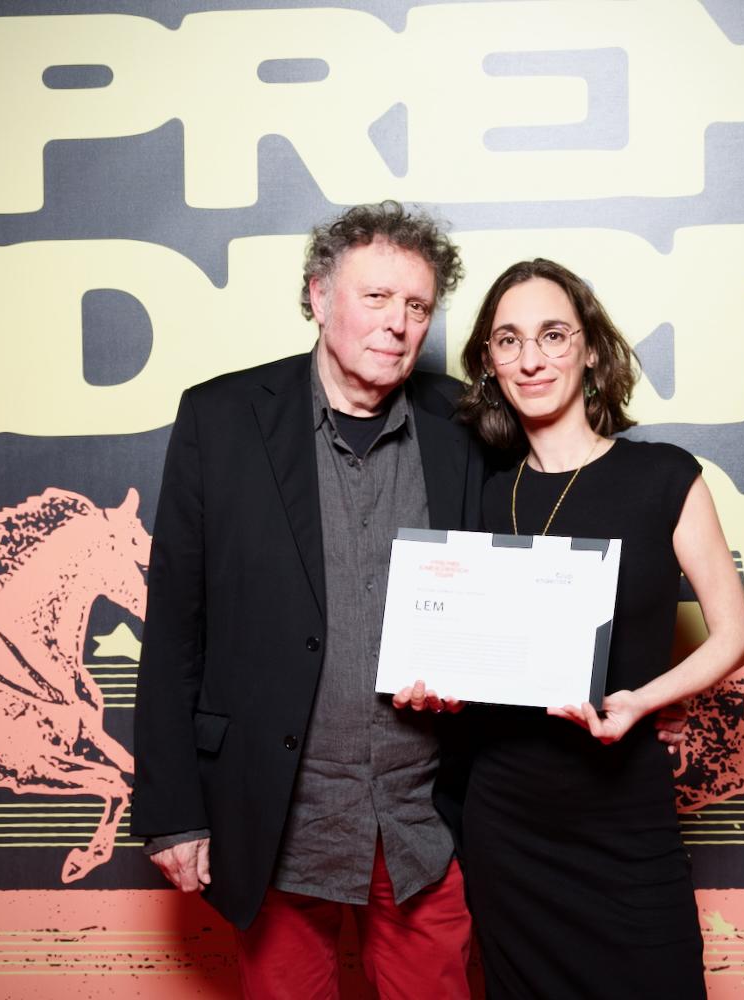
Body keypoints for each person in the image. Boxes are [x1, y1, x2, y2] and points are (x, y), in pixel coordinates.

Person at [131, 202, 483, 999]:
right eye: (376, 297)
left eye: (417, 305)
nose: (398, 324)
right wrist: (173, 811)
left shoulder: (463, 423)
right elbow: (176, 629)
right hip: (278, 817)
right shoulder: (221, 420)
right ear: (319, 297)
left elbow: (508, 584)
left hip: (421, 821)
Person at [446, 258, 744, 998]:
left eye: (553, 335)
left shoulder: (664, 476)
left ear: (590, 350)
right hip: (507, 826)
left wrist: (643, 702)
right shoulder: (481, 494)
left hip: (624, 814)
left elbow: (735, 635)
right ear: (489, 363)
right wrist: (439, 687)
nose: (531, 358)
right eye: (509, 340)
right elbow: (469, 654)